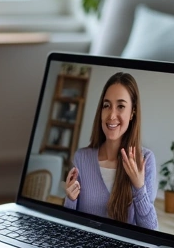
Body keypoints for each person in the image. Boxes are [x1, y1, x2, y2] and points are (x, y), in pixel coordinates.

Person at [63, 72, 158, 230]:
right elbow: (68, 226)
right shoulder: (82, 158)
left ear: (132, 112)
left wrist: (139, 187)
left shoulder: (145, 160)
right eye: (107, 105)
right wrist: (70, 199)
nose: (112, 115)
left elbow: (151, 231)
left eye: (121, 106)